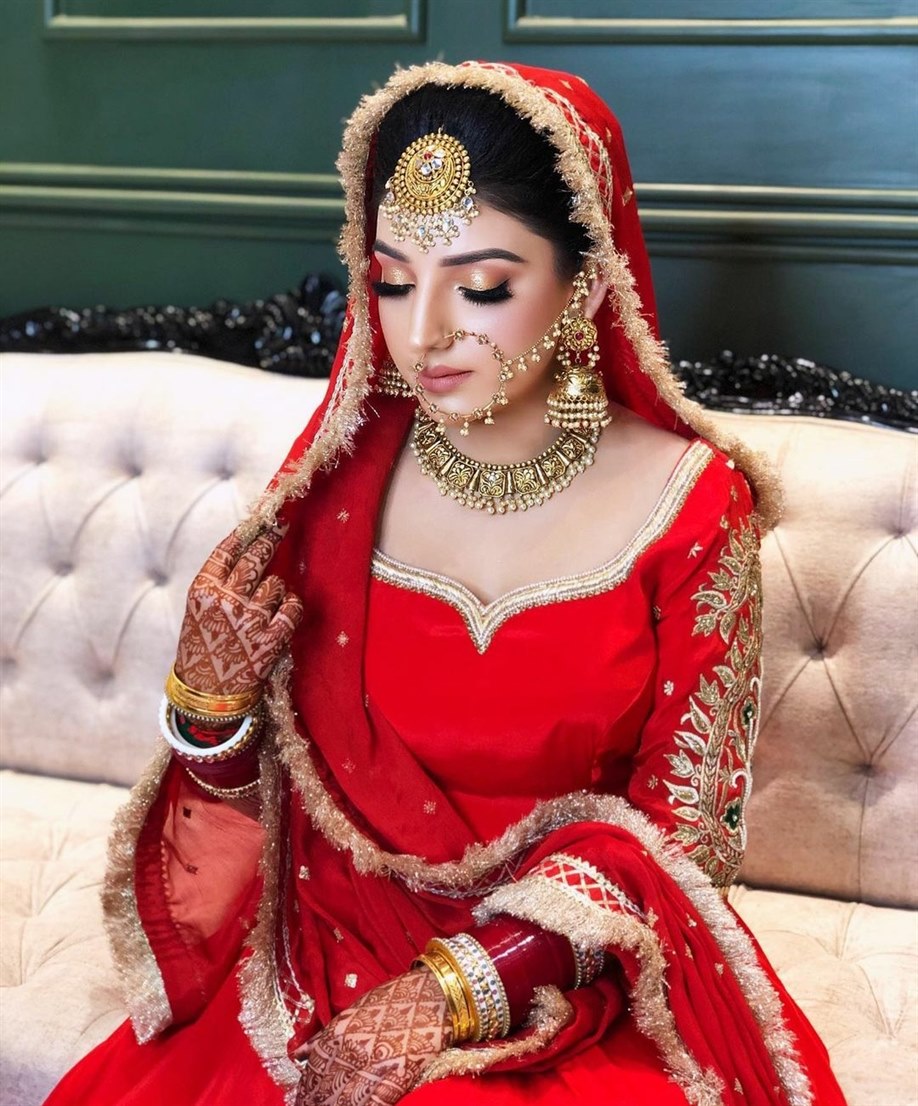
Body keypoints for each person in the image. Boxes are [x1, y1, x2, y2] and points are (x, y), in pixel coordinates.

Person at [45, 61, 849, 1106]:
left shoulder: (693, 504)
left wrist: (459, 988)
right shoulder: (332, 493)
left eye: (481, 286)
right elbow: (264, 815)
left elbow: (683, 840)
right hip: (331, 942)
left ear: (585, 281)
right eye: (391, 280)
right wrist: (209, 704)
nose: (422, 331)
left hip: (571, 966)